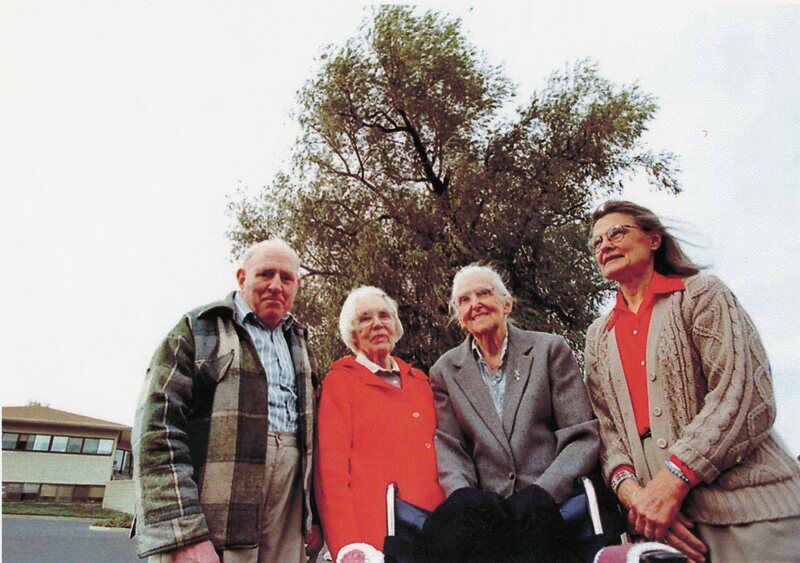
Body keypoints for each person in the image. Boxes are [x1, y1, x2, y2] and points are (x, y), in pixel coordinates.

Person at [583, 200, 800, 562]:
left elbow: (743, 396)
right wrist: (639, 499)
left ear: (654, 240)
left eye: (616, 233)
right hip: (666, 528)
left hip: (750, 515)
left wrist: (673, 480)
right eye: (597, 242)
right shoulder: (598, 336)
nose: (604, 245)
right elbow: (607, 432)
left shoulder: (702, 295)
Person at [132, 240, 323, 562]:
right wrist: (183, 534)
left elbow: (314, 443)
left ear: (297, 286)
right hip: (214, 520)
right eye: (266, 274)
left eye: (286, 278)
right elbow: (156, 431)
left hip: (286, 521)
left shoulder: (302, 343)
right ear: (242, 277)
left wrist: (313, 516)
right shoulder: (197, 329)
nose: (276, 285)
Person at [425, 264, 600, 561]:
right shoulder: (445, 371)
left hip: (549, 504)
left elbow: (581, 436)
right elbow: (451, 448)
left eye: (484, 293)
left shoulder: (549, 350)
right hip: (484, 515)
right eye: (464, 300)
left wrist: (544, 491)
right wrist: (464, 497)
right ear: (460, 318)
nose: (475, 304)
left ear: (507, 304)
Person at [315, 286, 444, 563]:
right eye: (365, 318)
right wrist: (348, 545)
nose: (377, 324)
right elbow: (331, 474)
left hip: (435, 529)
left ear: (395, 325)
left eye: (384, 315)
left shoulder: (421, 382)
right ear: (352, 333)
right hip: (377, 534)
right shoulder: (340, 384)